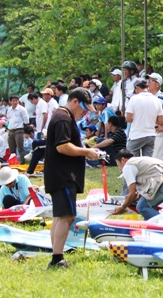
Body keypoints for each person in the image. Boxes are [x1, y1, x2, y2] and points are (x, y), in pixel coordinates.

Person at [44, 87, 100, 269]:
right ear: (75, 102)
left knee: (61, 216)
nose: (84, 113)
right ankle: (57, 258)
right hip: (63, 175)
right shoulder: (63, 118)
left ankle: (56, 255)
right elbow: (63, 146)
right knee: (67, 216)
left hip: (60, 174)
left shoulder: (63, 116)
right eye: (84, 108)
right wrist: (87, 152)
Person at [111, 149, 163, 220]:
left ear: (123, 160)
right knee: (150, 207)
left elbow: (132, 193)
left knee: (142, 207)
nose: (119, 169)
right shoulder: (140, 161)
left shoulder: (128, 166)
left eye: (118, 164)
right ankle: (150, 229)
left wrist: (122, 207)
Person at [125, 78, 163, 157]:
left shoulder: (134, 99)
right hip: (151, 135)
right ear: (148, 87)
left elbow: (128, 119)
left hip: (137, 134)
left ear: (137, 88)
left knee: (131, 160)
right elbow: (160, 121)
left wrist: (136, 119)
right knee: (147, 162)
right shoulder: (156, 100)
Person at [6, 94, 29, 164]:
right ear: (10, 101)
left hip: (19, 130)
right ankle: (13, 163)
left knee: (20, 148)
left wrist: (24, 131)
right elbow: (9, 120)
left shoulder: (22, 109)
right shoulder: (9, 109)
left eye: (16, 100)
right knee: (12, 149)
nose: (15, 102)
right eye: (13, 101)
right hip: (11, 130)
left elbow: (26, 120)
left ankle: (22, 163)